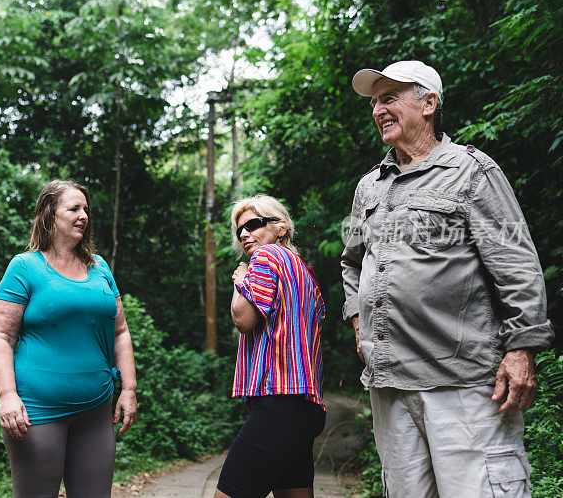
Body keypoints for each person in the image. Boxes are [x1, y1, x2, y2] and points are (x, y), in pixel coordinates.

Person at [341, 60, 554, 497]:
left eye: (389, 98)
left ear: (429, 103)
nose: (378, 109)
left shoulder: (473, 171)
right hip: (389, 385)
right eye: (374, 101)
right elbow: (351, 262)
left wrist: (521, 349)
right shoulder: (370, 187)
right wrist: (359, 323)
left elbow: (516, 263)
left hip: (463, 382)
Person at [0, 179, 138, 498]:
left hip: (97, 411)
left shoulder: (100, 269)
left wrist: (129, 389)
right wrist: (7, 396)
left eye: (86, 209)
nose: (83, 215)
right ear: (49, 215)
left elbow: (121, 331)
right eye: (74, 208)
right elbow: (1, 337)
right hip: (37, 410)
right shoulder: (25, 267)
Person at [214, 195, 326, 498]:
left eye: (253, 224)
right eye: (240, 230)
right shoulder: (304, 270)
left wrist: (241, 279)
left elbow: (243, 320)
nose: (244, 234)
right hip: (306, 405)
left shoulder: (265, 257)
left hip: (279, 401)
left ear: (280, 227)